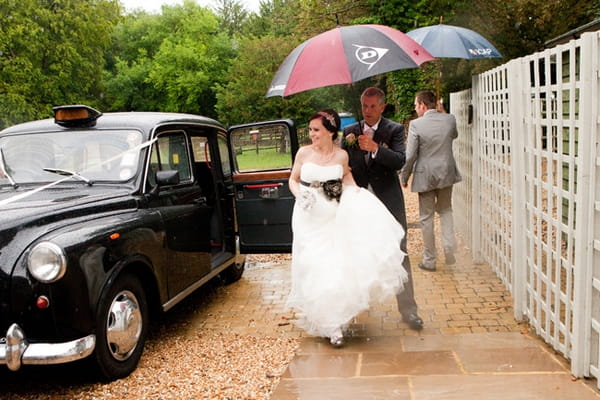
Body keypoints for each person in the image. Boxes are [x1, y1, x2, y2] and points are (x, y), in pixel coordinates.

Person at [287, 109, 408, 347]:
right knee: (313, 265)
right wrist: (300, 195)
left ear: (331, 131)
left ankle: (334, 324)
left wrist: (357, 191)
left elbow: (346, 180)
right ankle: (322, 317)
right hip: (308, 216)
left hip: (333, 215)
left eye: (316, 130)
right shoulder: (303, 153)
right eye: (310, 130)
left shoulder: (342, 155)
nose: (312, 134)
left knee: (334, 266)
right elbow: (292, 179)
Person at [342, 87, 424, 331]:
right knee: (355, 253)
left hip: (388, 203)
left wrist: (375, 149)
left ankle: (409, 311)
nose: (367, 111)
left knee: (400, 252)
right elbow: (343, 165)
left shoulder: (395, 129)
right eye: (364, 106)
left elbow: (401, 160)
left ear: (382, 107)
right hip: (359, 204)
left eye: (372, 106)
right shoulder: (349, 132)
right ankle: (354, 308)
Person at [400, 90, 462, 271]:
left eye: (415, 105)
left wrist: (405, 176)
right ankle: (449, 247)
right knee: (446, 210)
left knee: (426, 218)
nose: (415, 108)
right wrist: (442, 112)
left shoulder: (416, 125)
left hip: (425, 175)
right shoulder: (449, 119)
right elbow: (455, 135)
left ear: (422, 105)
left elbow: (410, 155)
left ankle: (429, 260)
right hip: (446, 172)